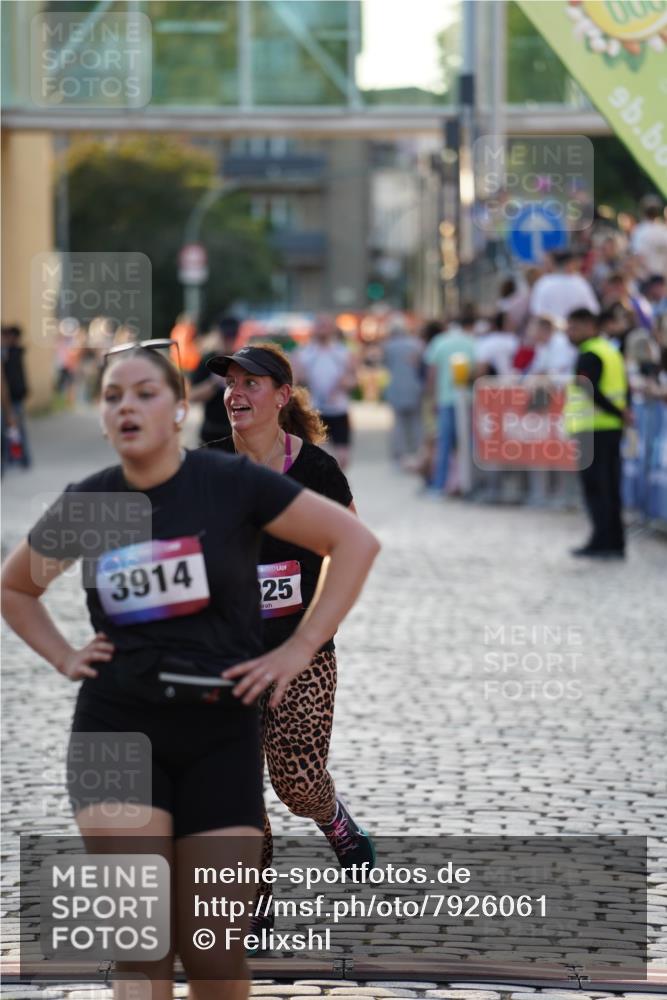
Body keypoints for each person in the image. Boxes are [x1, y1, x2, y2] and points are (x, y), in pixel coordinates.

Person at [0, 340, 380, 1000]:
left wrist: (303, 646)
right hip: (116, 731)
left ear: (178, 409)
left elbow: (353, 541)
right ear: (100, 415)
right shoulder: (92, 502)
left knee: (212, 957)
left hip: (217, 735)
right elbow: (14, 587)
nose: (127, 407)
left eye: (145, 393)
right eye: (112, 395)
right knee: (143, 950)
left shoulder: (233, 483)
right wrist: (64, 655)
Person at [203, 343, 375, 941]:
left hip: (303, 651)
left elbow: (349, 550)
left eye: (252, 383)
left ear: (282, 396)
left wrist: (311, 635)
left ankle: (332, 817)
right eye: (230, 383)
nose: (236, 393)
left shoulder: (317, 471)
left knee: (295, 784)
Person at [564, 308, 630, 559]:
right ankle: (615, 541)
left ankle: (602, 541)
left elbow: (589, 390)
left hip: (593, 429)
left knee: (596, 488)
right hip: (610, 429)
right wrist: (623, 412)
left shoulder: (589, 354)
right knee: (611, 487)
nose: (570, 333)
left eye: (574, 328)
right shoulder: (609, 350)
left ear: (589, 326)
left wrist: (617, 412)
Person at [293, 314, 357, 470]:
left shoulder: (343, 353)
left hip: (338, 410)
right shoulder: (303, 353)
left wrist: (345, 383)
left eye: (326, 325)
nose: (323, 329)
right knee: (314, 456)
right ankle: (321, 489)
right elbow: (293, 382)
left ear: (333, 329)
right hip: (312, 410)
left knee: (343, 458)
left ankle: (336, 488)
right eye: (319, 325)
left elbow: (353, 380)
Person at [424, 308, 476, 494]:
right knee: (468, 443)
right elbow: (477, 370)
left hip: (445, 398)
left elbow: (432, 372)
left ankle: (440, 485)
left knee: (444, 443)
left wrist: (432, 398)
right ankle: (470, 483)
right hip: (468, 398)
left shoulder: (439, 342)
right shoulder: (472, 342)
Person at [188, 315, 238, 444]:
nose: (228, 341)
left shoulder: (242, 361)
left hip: (237, 434)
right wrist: (214, 383)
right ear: (218, 334)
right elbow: (191, 396)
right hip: (211, 432)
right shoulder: (207, 360)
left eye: (231, 337)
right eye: (225, 336)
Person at [381, 318, 423, 464]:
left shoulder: (388, 346)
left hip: (396, 387)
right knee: (416, 421)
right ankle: (417, 450)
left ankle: (400, 452)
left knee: (398, 422)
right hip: (414, 386)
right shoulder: (416, 344)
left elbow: (385, 364)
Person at [530, 250, 600, 321]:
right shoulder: (580, 283)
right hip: (574, 328)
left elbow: (536, 312)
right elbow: (593, 311)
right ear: (570, 264)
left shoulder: (543, 283)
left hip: (550, 329)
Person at [1, 324, 30, 469]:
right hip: (12, 397)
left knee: (16, 430)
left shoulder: (12, 353)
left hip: (13, 398)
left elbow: (9, 380)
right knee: (14, 431)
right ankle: (17, 458)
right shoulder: (12, 352)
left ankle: (22, 458)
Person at [631, 194, 667, 281]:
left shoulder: (640, 230)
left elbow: (638, 256)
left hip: (647, 278)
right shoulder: (664, 230)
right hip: (663, 277)